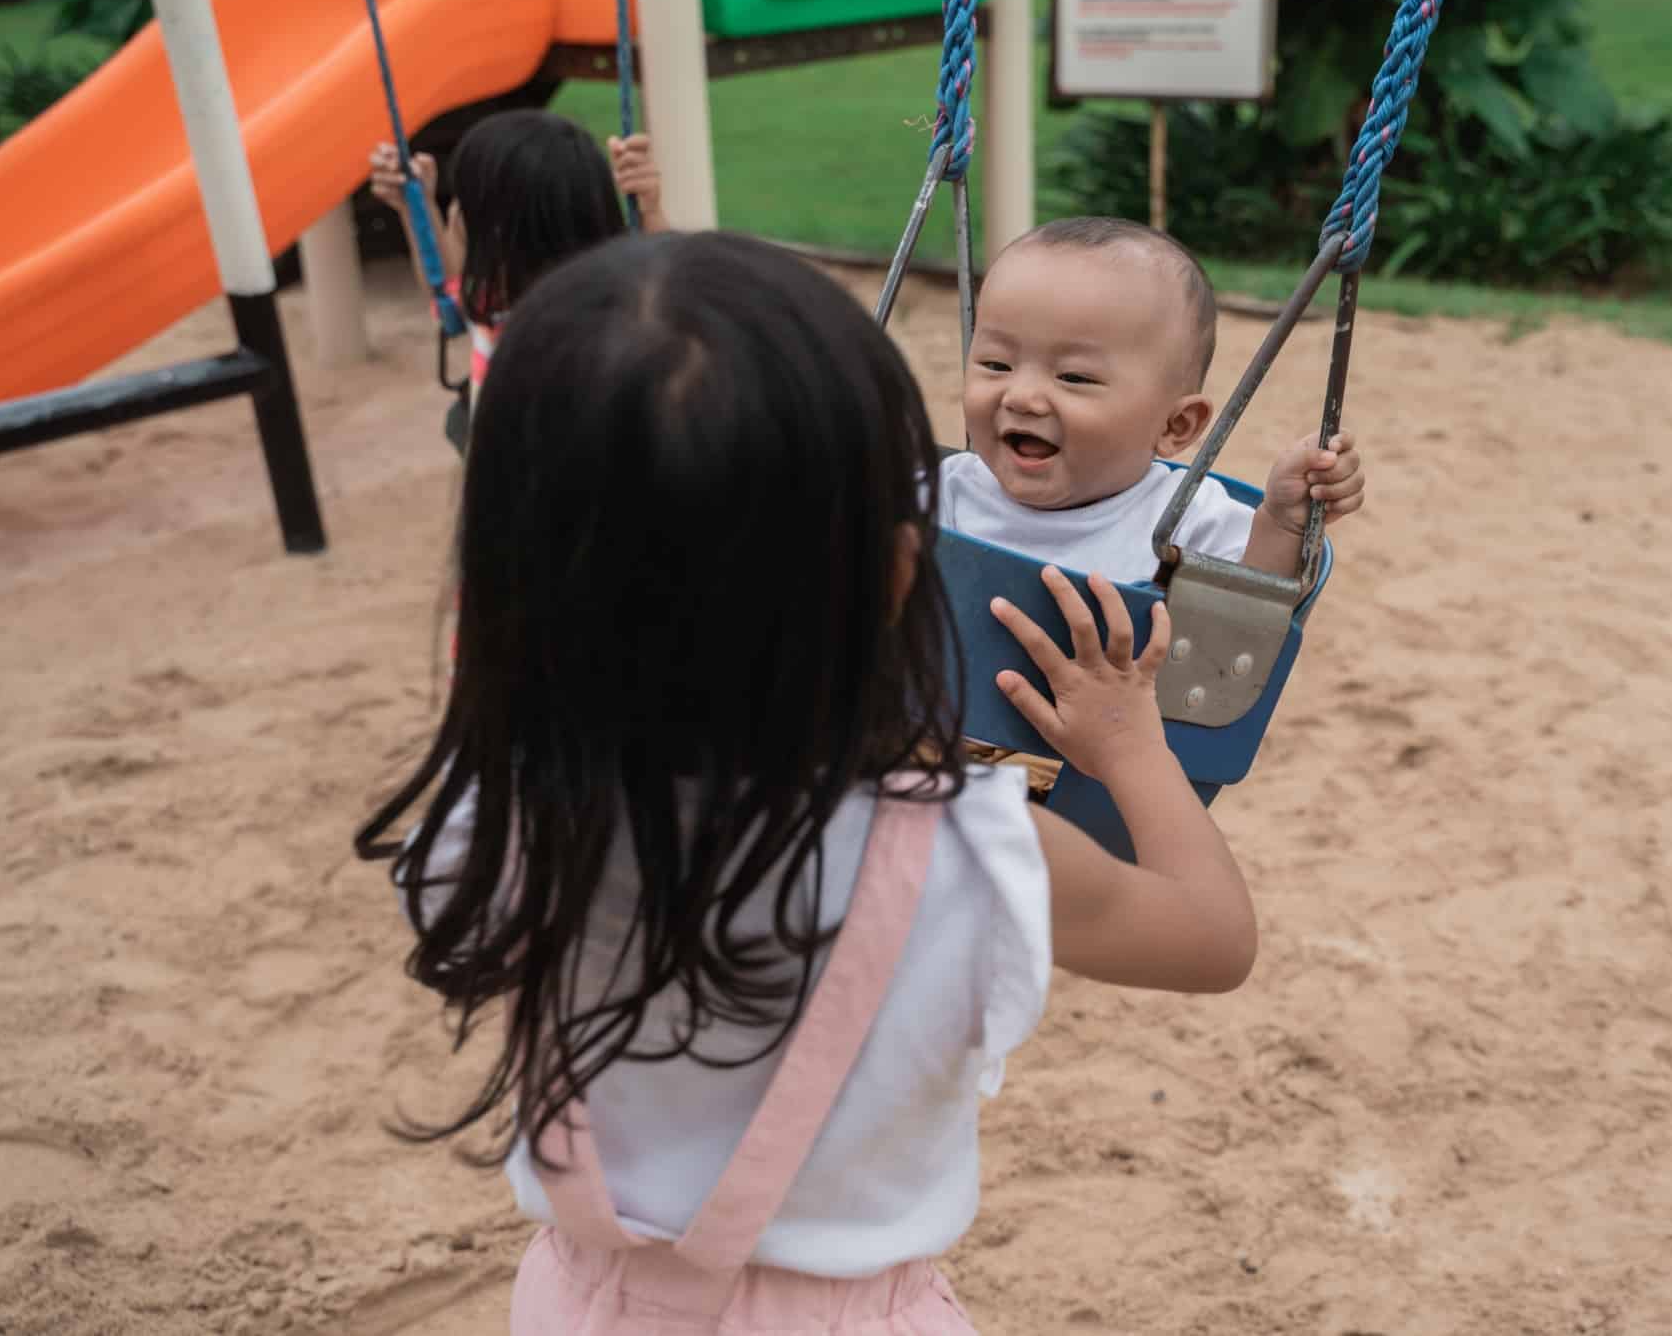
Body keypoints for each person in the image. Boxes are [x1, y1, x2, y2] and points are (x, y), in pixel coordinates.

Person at [357, 231, 1266, 1334]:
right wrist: (1129, 747)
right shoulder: (968, 852)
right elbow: (1211, 939)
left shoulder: (486, 815)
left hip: (580, 1308)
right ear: (898, 573)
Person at [942, 215, 1366, 585]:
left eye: (1074, 376)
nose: (1022, 397)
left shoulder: (1186, 521)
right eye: (997, 365)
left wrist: (1284, 526)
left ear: (1175, 426)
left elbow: (1250, 619)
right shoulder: (939, 493)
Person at [367, 109, 664, 444]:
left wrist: (650, 211)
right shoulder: (488, 294)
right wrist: (417, 208)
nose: (455, 212)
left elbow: (670, 292)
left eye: (466, 204)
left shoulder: (615, 307)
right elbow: (445, 285)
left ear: (504, 231)